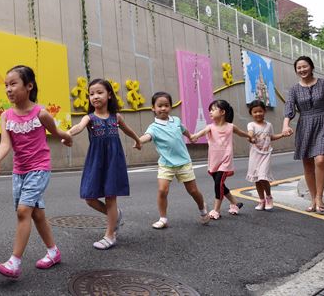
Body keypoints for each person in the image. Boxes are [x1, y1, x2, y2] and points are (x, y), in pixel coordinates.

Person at [0, 65, 72, 279]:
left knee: (23, 212)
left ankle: (14, 262)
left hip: (39, 168)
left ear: (29, 86)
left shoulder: (40, 113)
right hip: (20, 171)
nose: (8, 89)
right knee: (37, 213)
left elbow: (56, 131)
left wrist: (68, 137)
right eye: (6, 85)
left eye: (13, 84)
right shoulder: (6, 115)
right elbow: (4, 144)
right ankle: (53, 252)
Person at [66, 78, 142, 250]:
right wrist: (67, 134)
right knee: (90, 197)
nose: (95, 97)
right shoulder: (90, 118)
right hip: (96, 160)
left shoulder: (116, 117)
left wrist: (137, 140)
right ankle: (115, 215)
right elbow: (78, 127)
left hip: (113, 160)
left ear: (109, 95)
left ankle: (110, 235)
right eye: (91, 94)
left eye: (99, 92)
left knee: (110, 197)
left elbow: (128, 130)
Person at [282, 56, 324, 214]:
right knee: (308, 163)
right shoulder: (294, 89)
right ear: (296, 71)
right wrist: (285, 125)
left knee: (320, 160)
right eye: (299, 68)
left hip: (323, 123)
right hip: (304, 125)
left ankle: (319, 196)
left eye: (305, 66)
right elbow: (289, 108)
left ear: (311, 67)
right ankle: (312, 198)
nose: (302, 70)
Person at [138, 92, 210, 228]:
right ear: (153, 108)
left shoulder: (176, 120)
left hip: (184, 162)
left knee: (193, 191)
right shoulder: (153, 127)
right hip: (166, 164)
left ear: (170, 107)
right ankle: (163, 218)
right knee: (162, 190)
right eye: (159, 106)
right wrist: (139, 141)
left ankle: (203, 210)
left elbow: (184, 130)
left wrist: (191, 137)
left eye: (166, 105)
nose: (163, 108)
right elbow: (147, 136)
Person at [190, 99, 251, 220]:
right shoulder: (210, 127)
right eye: (209, 110)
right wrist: (194, 136)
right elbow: (200, 133)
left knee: (218, 183)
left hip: (225, 160)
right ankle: (235, 203)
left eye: (213, 110)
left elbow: (241, 133)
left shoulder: (230, 127)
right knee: (220, 184)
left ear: (222, 112)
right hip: (214, 161)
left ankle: (216, 209)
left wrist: (250, 136)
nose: (210, 112)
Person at [245, 100, 289, 211]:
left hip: (266, 154)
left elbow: (271, 137)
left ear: (264, 111)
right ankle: (261, 200)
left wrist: (282, 135)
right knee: (257, 179)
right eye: (255, 112)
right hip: (255, 155)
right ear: (251, 113)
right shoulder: (251, 125)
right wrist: (250, 137)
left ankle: (269, 197)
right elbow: (250, 133)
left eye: (260, 111)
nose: (258, 114)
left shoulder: (269, 125)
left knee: (263, 177)